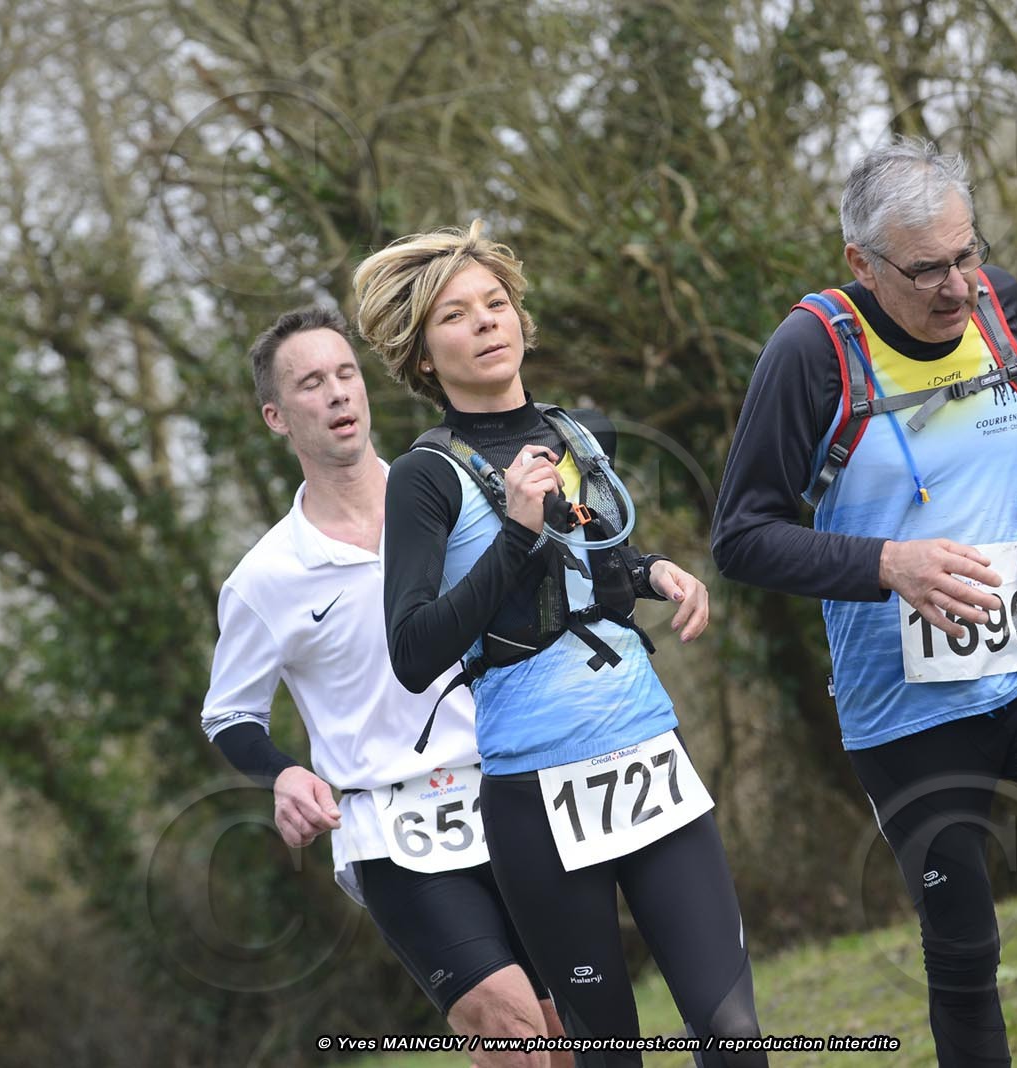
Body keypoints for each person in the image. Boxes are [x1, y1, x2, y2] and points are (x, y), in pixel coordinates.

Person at [711, 137, 1017, 1067]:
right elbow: (741, 535)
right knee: (965, 948)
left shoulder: (1000, 304)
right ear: (862, 264)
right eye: (927, 270)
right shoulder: (811, 352)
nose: (957, 287)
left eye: (967, 255)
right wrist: (889, 564)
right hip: (905, 702)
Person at [354, 222, 765, 1068]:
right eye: (456, 316)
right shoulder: (424, 478)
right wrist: (514, 530)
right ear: (423, 356)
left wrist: (653, 573)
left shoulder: (582, 436)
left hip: (647, 758)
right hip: (536, 797)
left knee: (733, 1035)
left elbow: (596, 560)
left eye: (495, 304)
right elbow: (413, 650)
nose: (485, 322)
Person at [200, 306, 568, 1067]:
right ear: (276, 416)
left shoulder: (453, 496)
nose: (337, 393)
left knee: (568, 1038)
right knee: (512, 1035)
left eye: (345, 374)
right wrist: (284, 773)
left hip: (514, 789)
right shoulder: (265, 578)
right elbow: (229, 715)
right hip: (396, 830)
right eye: (310, 384)